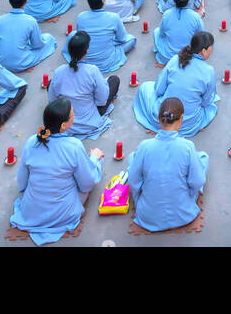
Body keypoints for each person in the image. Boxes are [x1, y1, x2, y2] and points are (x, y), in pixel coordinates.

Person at [10, 98, 104, 245]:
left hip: (31, 211)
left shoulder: (31, 142)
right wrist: (94, 158)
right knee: (91, 169)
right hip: (63, 214)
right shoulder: (74, 146)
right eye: (73, 116)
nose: (75, 116)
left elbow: (22, 182)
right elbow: (87, 183)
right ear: (63, 126)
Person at [127, 97, 210, 233]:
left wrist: (140, 198)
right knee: (203, 157)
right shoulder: (187, 146)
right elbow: (198, 181)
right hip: (184, 214)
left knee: (132, 157)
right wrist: (190, 193)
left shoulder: (144, 146)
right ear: (181, 118)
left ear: (159, 119)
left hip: (147, 216)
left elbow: (134, 181)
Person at [133, 30, 218, 136]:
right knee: (211, 107)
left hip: (163, 118)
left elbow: (159, 89)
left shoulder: (176, 59)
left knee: (145, 87)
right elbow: (206, 102)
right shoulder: (209, 71)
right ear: (204, 51)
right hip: (189, 124)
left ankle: (162, 127)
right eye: (211, 49)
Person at [48, 32, 120, 139]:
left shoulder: (59, 72)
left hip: (66, 124)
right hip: (90, 122)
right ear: (86, 51)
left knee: (51, 83)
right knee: (114, 80)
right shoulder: (92, 70)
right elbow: (102, 100)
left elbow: (52, 101)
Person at [0, 0, 56, 71]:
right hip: (22, 62)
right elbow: (38, 45)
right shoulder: (31, 21)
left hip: (1, 61)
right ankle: (21, 65)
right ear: (26, 2)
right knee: (49, 38)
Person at [72, 0, 136, 72]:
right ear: (104, 2)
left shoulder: (81, 16)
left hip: (84, 59)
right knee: (131, 39)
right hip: (106, 62)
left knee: (72, 35)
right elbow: (123, 38)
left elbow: (80, 38)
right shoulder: (113, 17)